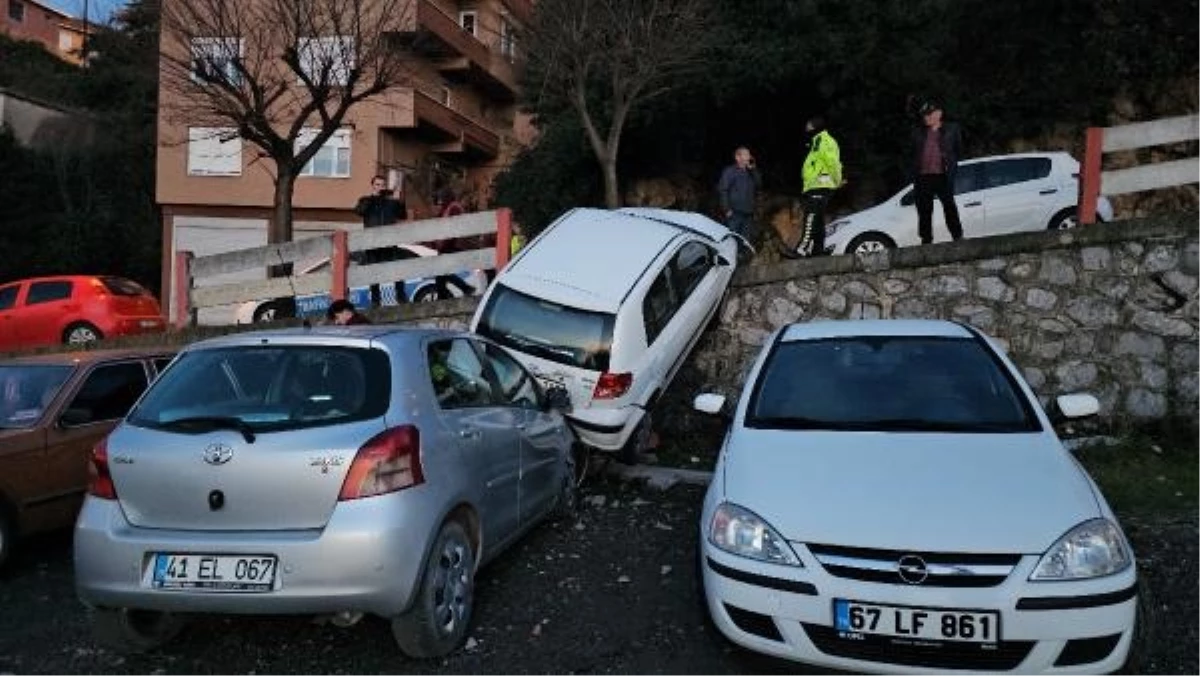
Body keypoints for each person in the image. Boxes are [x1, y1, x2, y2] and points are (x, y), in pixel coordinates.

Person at [784, 116, 843, 258]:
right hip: (816, 186)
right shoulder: (817, 141)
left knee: (810, 217)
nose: (806, 128)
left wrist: (837, 180)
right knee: (817, 220)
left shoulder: (824, 141)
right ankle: (818, 251)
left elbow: (833, 163)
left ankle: (801, 249)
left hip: (820, 186)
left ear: (815, 126)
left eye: (809, 125)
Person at [910, 99, 964, 244]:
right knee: (924, 210)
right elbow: (912, 153)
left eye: (929, 114)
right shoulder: (917, 132)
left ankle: (957, 236)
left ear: (939, 113)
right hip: (923, 176)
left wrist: (951, 166)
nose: (926, 118)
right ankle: (926, 240)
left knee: (949, 206)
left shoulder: (952, 129)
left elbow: (958, 151)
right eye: (924, 115)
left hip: (943, 176)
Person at [353, 175, 407, 306]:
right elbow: (359, 211)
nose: (380, 187)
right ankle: (376, 302)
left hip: (389, 242)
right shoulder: (365, 200)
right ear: (372, 186)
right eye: (377, 184)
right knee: (374, 273)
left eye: (382, 185)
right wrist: (373, 197)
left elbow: (403, 215)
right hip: (372, 243)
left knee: (396, 270)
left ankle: (401, 298)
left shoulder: (391, 202)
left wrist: (398, 200)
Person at [716, 146, 762, 246]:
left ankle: (743, 260)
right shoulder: (730, 171)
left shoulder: (751, 172)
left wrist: (753, 170)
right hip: (734, 213)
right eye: (746, 154)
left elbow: (759, 184)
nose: (749, 157)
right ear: (737, 157)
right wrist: (726, 209)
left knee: (745, 241)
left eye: (749, 154)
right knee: (732, 239)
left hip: (748, 212)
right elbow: (723, 190)